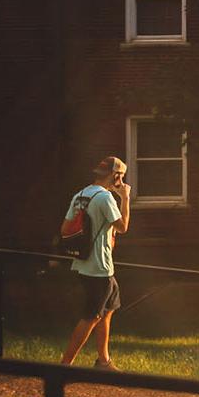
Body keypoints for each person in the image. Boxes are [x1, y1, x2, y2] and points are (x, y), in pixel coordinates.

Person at [60, 156, 131, 369]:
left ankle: (103, 360)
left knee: (108, 309)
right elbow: (123, 227)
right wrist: (125, 198)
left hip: (85, 263)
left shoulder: (81, 195)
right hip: (99, 267)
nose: (121, 180)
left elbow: (65, 229)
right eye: (121, 176)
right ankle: (64, 366)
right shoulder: (105, 198)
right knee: (91, 316)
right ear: (116, 176)